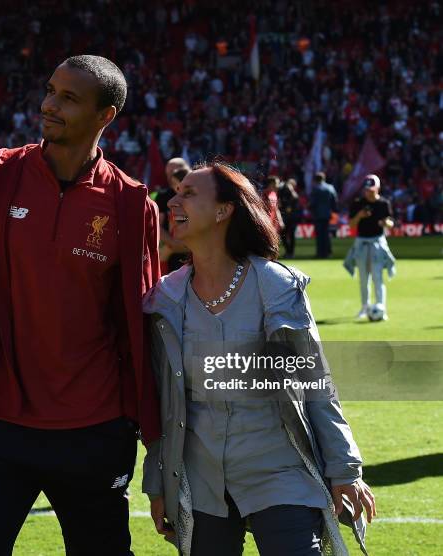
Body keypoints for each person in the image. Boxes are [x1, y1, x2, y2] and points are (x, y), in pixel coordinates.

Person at [0, 55, 161, 555]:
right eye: (51, 90)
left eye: (69, 98)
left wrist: (148, 431)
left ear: (106, 115)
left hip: (94, 428)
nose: (49, 105)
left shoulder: (130, 202)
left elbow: (140, 328)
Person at [142, 162, 375, 555]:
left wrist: (345, 468)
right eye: (176, 193)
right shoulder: (163, 299)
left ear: (223, 210)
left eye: (188, 193)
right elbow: (159, 404)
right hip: (201, 479)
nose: (173, 200)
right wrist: (158, 482)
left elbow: (316, 383)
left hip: (279, 468)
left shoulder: (277, 286)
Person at [344, 174, 395, 320]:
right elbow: (351, 225)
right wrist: (359, 215)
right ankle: (365, 307)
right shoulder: (358, 203)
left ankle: (381, 307)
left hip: (377, 242)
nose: (369, 192)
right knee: (363, 278)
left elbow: (391, 222)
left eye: (371, 189)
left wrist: (386, 223)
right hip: (361, 242)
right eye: (367, 189)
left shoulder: (384, 203)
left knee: (378, 277)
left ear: (377, 188)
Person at [155, 157, 191, 274]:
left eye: (175, 172)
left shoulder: (198, 197)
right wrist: (172, 244)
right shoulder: (163, 196)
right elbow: (157, 225)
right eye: (168, 174)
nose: (171, 177)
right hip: (170, 254)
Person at [309, 172, 338, 258]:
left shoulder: (315, 189)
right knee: (326, 234)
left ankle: (320, 253)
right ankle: (328, 253)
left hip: (318, 215)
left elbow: (312, 203)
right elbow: (335, 202)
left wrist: (312, 210)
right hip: (328, 215)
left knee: (319, 235)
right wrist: (333, 212)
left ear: (316, 180)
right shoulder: (330, 188)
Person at [278, 178, 301, 258]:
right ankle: (289, 252)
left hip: (291, 218)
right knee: (284, 235)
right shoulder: (284, 193)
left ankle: (290, 253)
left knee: (290, 235)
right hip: (287, 218)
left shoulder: (294, 195)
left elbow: (291, 206)